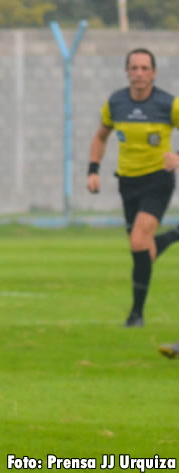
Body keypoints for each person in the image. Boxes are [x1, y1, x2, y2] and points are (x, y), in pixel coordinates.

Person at [87, 47, 179, 340]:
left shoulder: (169, 104)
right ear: (127, 71)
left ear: (153, 73)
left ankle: (136, 315)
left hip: (158, 180)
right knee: (142, 251)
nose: (139, 73)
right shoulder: (116, 102)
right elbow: (101, 136)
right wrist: (92, 170)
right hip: (128, 183)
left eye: (144, 68)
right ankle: (174, 236)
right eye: (134, 68)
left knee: (140, 242)